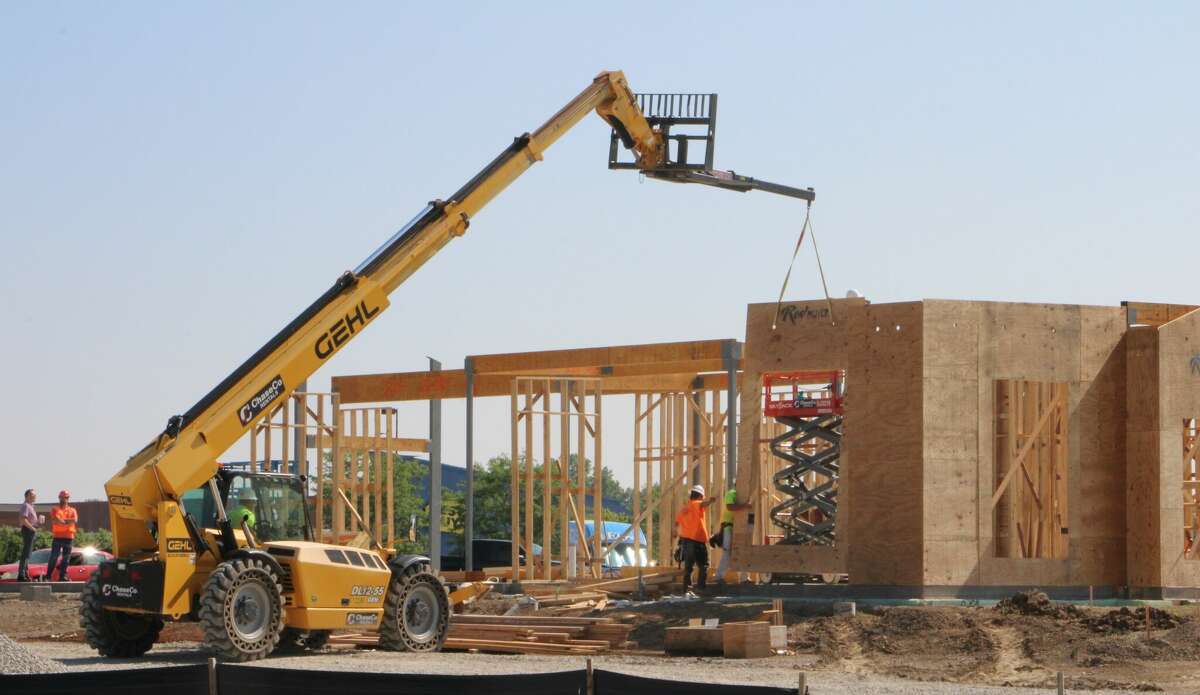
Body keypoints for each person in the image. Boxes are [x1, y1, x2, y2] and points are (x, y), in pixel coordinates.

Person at [675, 484, 716, 593]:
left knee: (688, 567)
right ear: (699, 496)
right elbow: (702, 504)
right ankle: (701, 588)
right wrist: (711, 501)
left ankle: (686, 589)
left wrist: (676, 534)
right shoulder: (696, 504)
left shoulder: (684, 509)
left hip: (686, 541)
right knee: (703, 565)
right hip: (697, 541)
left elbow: (677, 523)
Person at [714, 485, 752, 584]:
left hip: (738, 526)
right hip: (728, 527)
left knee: (743, 550)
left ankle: (744, 578)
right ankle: (718, 577)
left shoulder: (744, 497)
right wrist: (744, 506)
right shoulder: (731, 493)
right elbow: (730, 507)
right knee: (727, 552)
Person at [46, 490, 77, 582]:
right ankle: (48, 576)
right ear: (59, 498)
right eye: (62, 497)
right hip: (58, 536)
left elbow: (74, 520)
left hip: (69, 537)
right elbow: (55, 520)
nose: (64, 499)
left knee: (66, 558)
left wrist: (62, 521)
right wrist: (67, 522)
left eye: (66, 497)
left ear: (68, 499)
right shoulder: (55, 509)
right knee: (54, 557)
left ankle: (62, 576)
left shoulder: (73, 510)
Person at [17, 489, 42, 582]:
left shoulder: (31, 506)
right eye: (32, 495)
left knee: (28, 554)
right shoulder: (26, 506)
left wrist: (38, 523)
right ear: (27, 496)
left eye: (35, 495)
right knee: (26, 553)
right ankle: (21, 575)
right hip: (28, 531)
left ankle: (25, 575)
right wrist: (32, 528)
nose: (34, 497)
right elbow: (24, 520)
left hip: (30, 530)